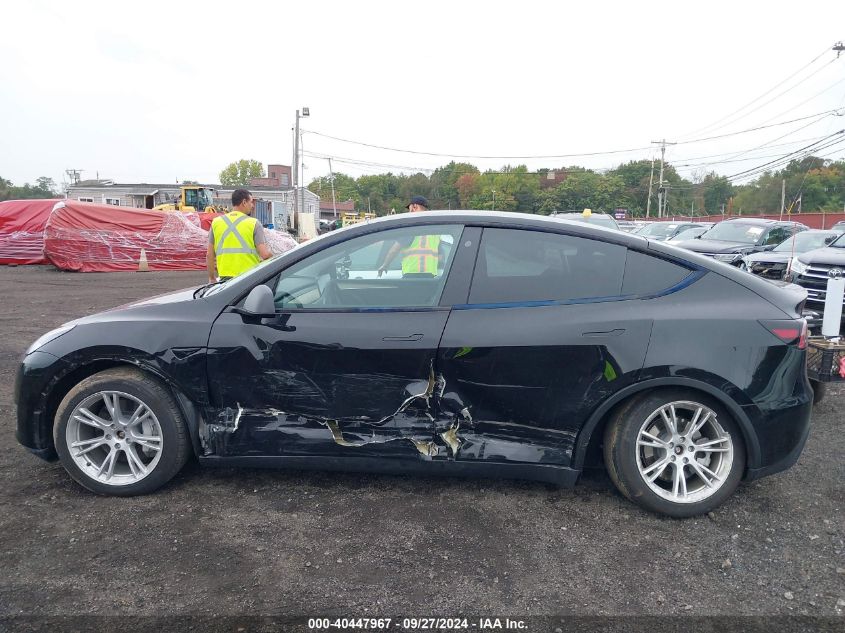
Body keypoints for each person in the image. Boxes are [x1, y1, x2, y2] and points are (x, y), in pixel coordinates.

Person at [206, 189, 272, 282]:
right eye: (251, 202)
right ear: (244, 202)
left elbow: (209, 255)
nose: (252, 206)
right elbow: (265, 255)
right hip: (249, 277)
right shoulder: (254, 223)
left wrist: (211, 277)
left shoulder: (216, 223)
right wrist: (277, 256)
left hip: (225, 279)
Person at [377, 196, 441, 277]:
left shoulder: (412, 226)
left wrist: (385, 265)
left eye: (409, 209)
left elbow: (395, 249)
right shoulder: (435, 226)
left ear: (415, 206)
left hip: (412, 275)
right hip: (431, 276)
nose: (409, 212)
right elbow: (440, 255)